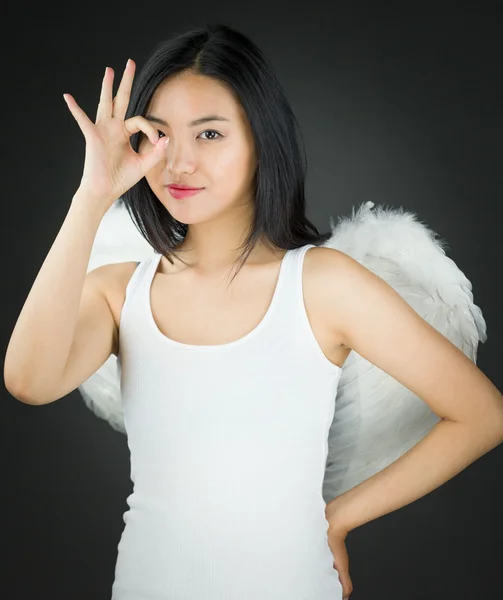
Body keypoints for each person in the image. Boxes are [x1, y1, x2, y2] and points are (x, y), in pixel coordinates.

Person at [5, 22, 503, 600]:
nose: (179, 163)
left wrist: (337, 518)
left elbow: (483, 414)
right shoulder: (119, 292)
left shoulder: (323, 285)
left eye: (210, 134)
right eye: (159, 136)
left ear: (261, 140)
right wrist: (91, 197)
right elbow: (28, 381)